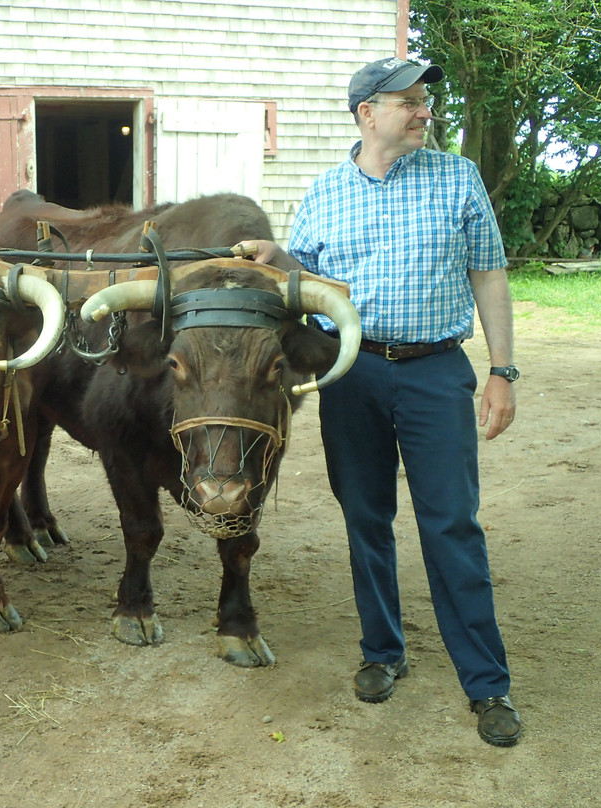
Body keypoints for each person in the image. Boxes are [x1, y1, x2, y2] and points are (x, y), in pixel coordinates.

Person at [242, 56, 522, 746]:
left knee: (451, 523)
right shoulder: (326, 192)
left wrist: (503, 370)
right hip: (354, 375)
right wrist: (273, 255)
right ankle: (382, 651)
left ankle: (487, 685)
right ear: (368, 113)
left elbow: (488, 274)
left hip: (435, 374)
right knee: (366, 518)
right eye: (409, 101)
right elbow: (301, 282)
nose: (424, 111)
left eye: (424, 100)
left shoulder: (458, 178)